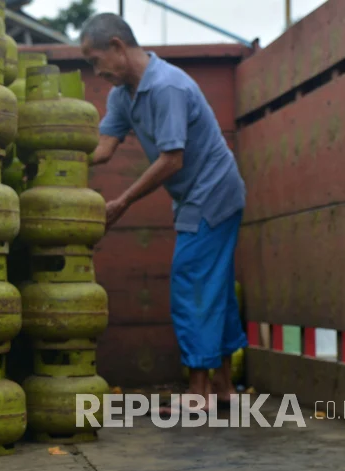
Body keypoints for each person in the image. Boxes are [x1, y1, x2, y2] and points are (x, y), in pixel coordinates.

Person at [80, 13, 248, 411]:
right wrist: (55, 155)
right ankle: (223, 387)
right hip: (195, 197)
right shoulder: (123, 95)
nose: (96, 71)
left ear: (118, 46)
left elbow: (172, 159)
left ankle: (199, 393)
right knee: (215, 287)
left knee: (191, 282)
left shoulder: (167, 86)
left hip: (213, 194)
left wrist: (122, 202)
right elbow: (103, 149)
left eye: (95, 60)